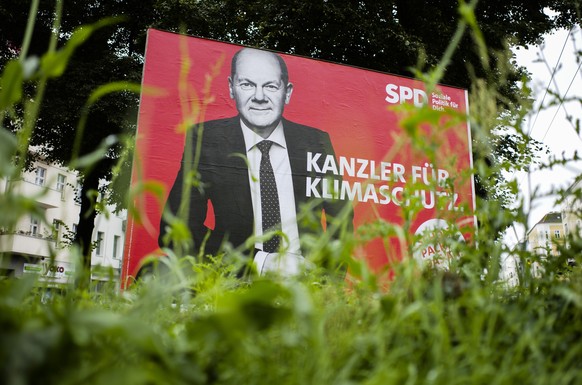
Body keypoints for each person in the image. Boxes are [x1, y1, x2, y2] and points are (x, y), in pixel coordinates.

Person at [159, 47, 351, 275]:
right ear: (231, 88)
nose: (259, 97)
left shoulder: (315, 141)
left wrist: (326, 281)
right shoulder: (206, 139)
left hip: (307, 286)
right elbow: (175, 229)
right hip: (234, 283)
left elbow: (341, 221)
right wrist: (259, 263)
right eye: (247, 84)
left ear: (287, 92)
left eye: (270, 86)